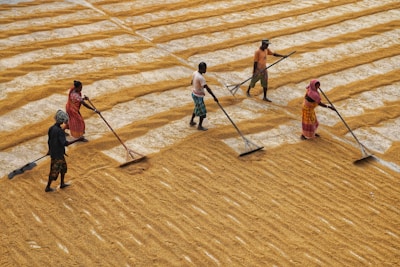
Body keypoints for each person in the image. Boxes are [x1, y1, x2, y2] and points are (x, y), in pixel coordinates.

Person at [45, 110, 82, 192]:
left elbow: (49, 141)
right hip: (57, 155)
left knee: (63, 168)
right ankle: (47, 187)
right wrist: (78, 139)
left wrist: (49, 150)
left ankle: (62, 183)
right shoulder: (60, 132)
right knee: (54, 172)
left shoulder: (51, 128)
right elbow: (65, 143)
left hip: (56, 153)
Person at [189, 62, 219, 131]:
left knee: (196, 108)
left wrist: (196, 86)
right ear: (202, 69)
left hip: (194, 94)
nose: (206, 70)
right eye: (205, 68)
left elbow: (191, 81)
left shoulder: (195, 73)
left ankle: (191, 121)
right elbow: (207, 88)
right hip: (198, 96)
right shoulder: (201, 78)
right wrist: (214, 97)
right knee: (203, 112)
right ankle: (200, 126)